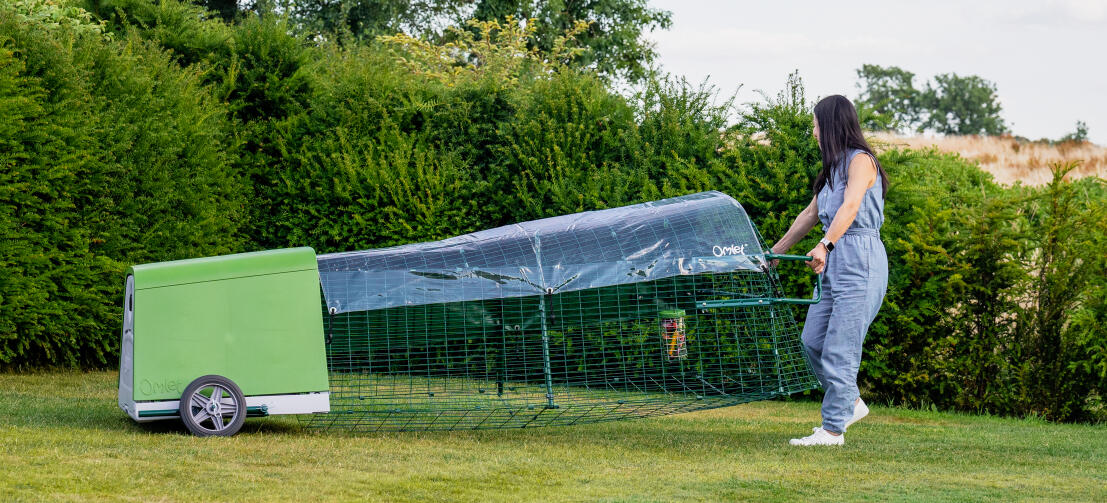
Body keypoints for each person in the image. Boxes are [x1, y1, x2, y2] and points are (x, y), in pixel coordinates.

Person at [771, 95, 889, 446]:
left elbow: (852, 205)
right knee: (812, 343)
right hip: (833, 259)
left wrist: (825, 244)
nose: (814, 132)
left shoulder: (861, 162)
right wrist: (775, 253)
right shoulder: (832, 169)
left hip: (860, 257)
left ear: (832, 125)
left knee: (841, 347)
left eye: (816, 125)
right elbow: (810, 215)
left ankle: (833, 430)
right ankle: (849, 402)